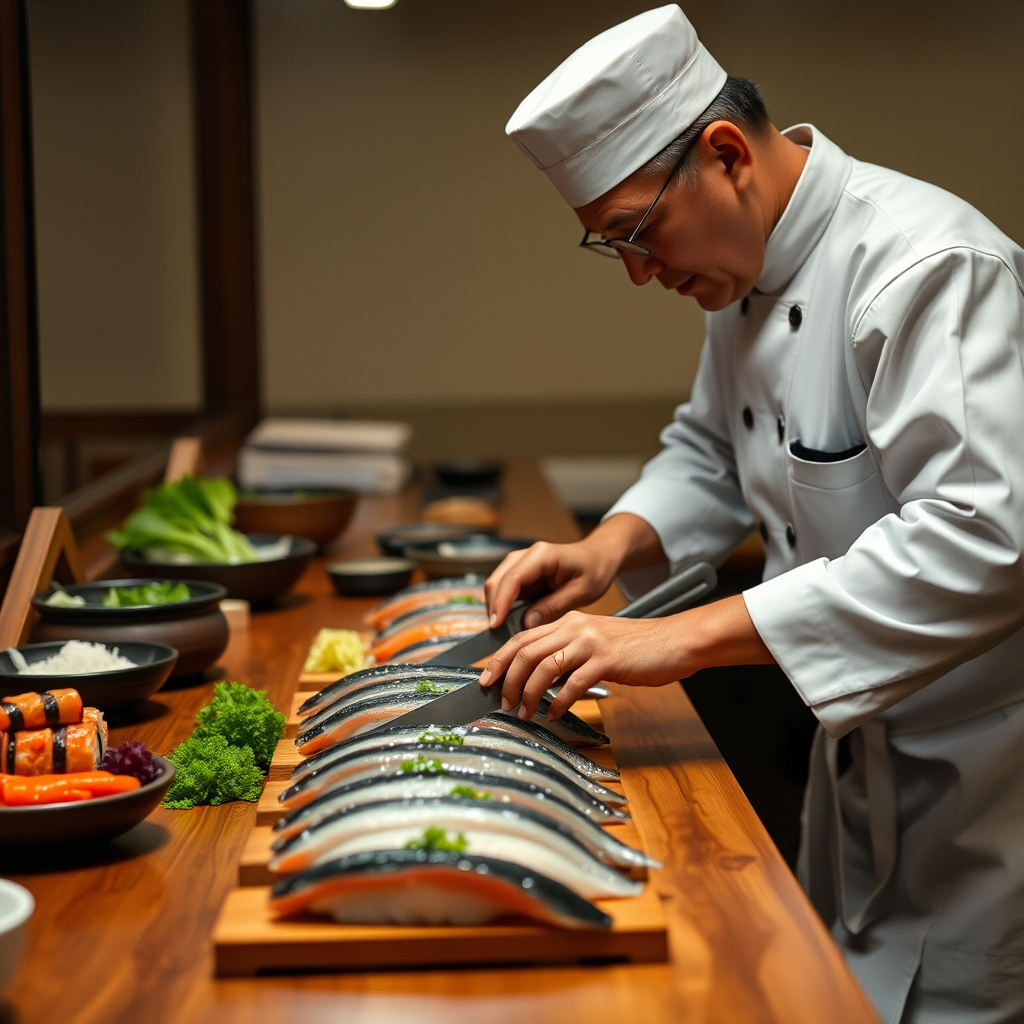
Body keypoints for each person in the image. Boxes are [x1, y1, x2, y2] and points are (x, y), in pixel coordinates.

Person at [484, 6, 1024, 1022]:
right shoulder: (744, 277)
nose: (641, 272)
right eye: (611, 247)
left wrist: (678, 638)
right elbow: (709, 452)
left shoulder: (926, 267)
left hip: (982, 784)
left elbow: (985, 539)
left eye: (640, 233)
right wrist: (607, 547)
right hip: (853, 761)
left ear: (725, 153)